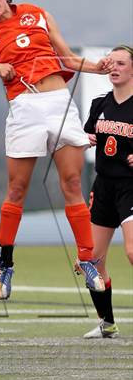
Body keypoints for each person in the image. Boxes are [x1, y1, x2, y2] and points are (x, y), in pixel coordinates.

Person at [0, 0, 114, 300]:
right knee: (17, 188)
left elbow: (66, 57)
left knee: (72, 184)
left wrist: (97, 67)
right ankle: (4, 265)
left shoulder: (38, 14)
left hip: (59, 102)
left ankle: (87, 259)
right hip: (24, 108)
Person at [83, 45, 133, 339]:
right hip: (104, 186)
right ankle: (107, 322)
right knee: (90, 260)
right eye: (111, 63)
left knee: (131, 251)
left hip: (130, 187)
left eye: (122, 63)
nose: (114, 68)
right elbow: (90, 134)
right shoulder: (99, 103)